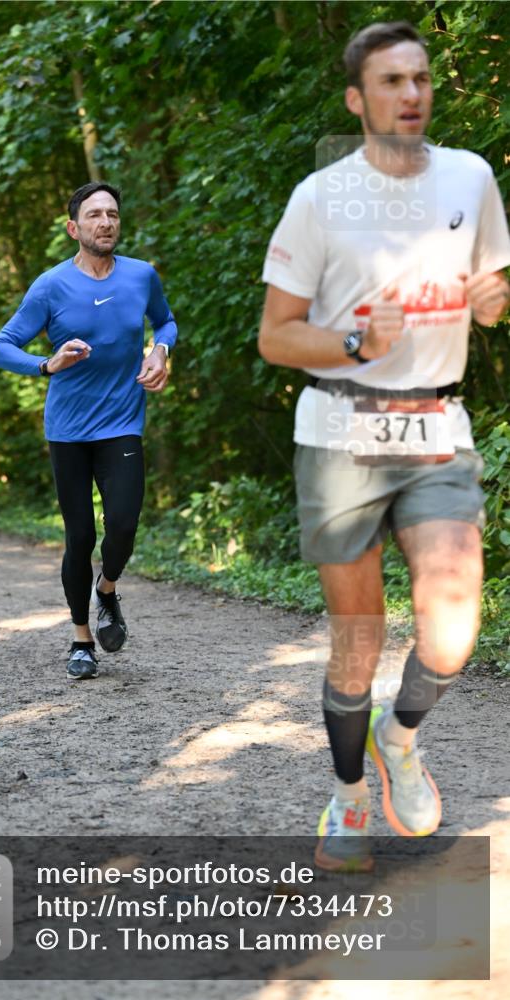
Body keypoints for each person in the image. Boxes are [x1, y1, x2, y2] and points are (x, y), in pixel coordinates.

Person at [258, 21, 510, 871]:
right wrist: (355, 342)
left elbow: (488, 288)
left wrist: (489, 298)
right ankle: (347, 799)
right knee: (358, 639)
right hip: (340, 430)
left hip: (436, 423)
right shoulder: (319, 198)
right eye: (391, 81)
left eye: (420, 78)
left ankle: (397, 737)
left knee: (453, 626)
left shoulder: (469, 177)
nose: (410, 93)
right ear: (356, 100)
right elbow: (276, 337)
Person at [0, 182, 177, 680]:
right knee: (80, 535)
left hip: (122, 423)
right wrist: (46, 364)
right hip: (68, 431)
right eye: (94, 215)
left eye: (112, 213)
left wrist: (160, 351)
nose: (105, 222)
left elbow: (166, 322)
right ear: (74, 228)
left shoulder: (141, 275)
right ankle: (81, 639)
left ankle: (107, 589)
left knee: (124, 525)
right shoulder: (51, 285)